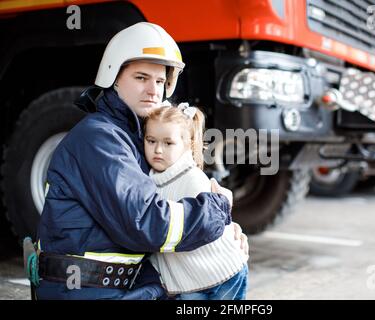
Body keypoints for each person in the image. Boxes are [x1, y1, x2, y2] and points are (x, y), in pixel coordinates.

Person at [35, 22, 248, 300]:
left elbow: (177, 187)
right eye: (141, 77)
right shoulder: (100, 139)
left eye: (160, 81)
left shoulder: (140, 139)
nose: (153, 90)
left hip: (122, 287)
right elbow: (148, 223)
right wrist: (215, 212)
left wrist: (226, 232)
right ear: (113, 77)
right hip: (88, 291)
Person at [144, 104, 249, 300]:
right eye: (151, 141)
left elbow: (213, 224)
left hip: (223, 276)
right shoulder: (149, 179)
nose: (158, 149)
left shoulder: (193, 179)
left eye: (168, 143)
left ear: (187, 145)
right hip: (189, 281)